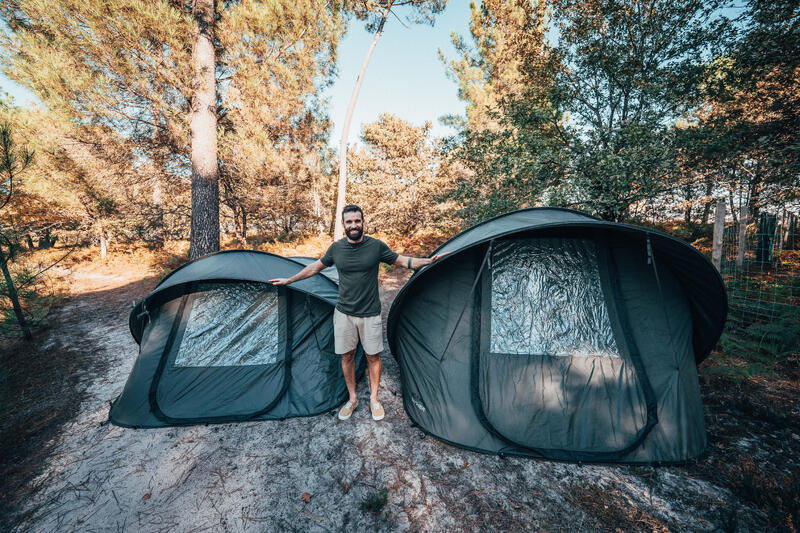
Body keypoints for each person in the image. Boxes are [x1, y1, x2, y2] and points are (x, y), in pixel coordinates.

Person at [269, 205, 448, 422]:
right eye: (349, 222)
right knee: (347, 356)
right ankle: (352, 398)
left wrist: (428, 261)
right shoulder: (336, 249)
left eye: (357, 221)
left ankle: (374, 398)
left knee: (373, 357)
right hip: (344, 314)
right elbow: (315, 267)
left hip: (370, 314)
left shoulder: (376, 246)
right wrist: (290, 280)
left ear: (363, 222)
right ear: (343, 224)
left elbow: (403, 261)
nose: (353, 225)